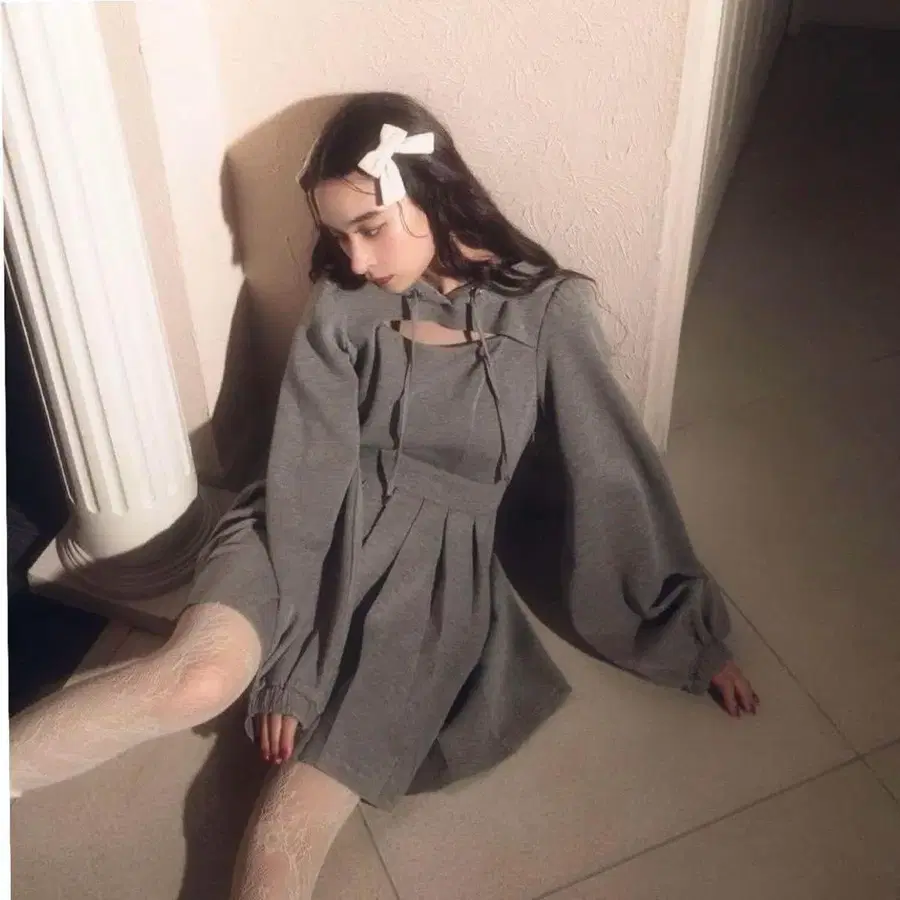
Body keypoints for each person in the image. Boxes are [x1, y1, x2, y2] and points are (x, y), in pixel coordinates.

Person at [9, 92, 759, 899]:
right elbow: (309, 468)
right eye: (340, 236)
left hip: (431, 586)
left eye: (370, 228)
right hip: (304, 522)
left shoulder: (549, 312)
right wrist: (298, 662)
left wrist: (686, 634)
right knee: (196, 680)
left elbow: (612, 475)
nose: (357, 259)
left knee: (290, 829)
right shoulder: (344, 302)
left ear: (428, 192)